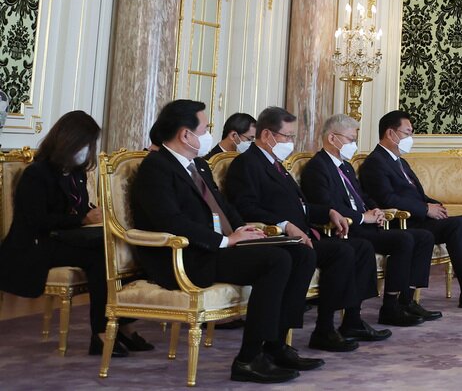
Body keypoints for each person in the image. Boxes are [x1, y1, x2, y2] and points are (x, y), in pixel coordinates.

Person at [131, 99, 319, 384]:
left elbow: (224, 207)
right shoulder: (156, 168)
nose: (208, 134)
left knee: (300, 253)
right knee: (276, 261)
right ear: (185, 134)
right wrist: (225, 240)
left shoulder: (199, 166)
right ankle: (248, 358)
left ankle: (277, 345)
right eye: (205, 128)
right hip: (189, 256)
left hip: (218, 247)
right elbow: (171, 221)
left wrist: (245, 228)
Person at [223, 107, 387, 354]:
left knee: (359, 247)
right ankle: (294, 338)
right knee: (334, 253)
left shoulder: (276, 164)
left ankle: (336, 324)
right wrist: (284, 225)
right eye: (287, 136)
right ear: (267, 135)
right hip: (278, 238)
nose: (291, 142)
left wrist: (329, 212)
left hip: (302, 234)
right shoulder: (247, 164)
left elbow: (299, 206)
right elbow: (245, 207)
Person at [0, 111, 152, 357]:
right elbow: (37, 221)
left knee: (121, 246)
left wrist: (91, 213)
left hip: (62, 237)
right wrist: (82, 219)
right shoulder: (37, 174)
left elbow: (78, 208)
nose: (87, 150)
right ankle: (101, 335)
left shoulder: (76, 173)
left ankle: (123, 324)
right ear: (69, 141)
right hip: (35, 245)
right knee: (101, 257)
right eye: (85, 143)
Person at [359, 111, 462, 309]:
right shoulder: (375, 163)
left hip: (420, 217)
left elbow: (417, 195)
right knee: (456, 226)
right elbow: (387, 199)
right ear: (390, 133)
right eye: (407, 133)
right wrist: (425, 209)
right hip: (404, 222)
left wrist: (434, 204)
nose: (410, 139)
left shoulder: (400, 162)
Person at [299, 114, 439, 327]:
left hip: (366, 224)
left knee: (419, 236)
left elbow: (360, 196)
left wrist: (375, 209)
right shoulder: (317, 167)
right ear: (332, 138)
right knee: (403, 240)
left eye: (354, 140)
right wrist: (362, 217)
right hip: (347, 228)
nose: (353, 145)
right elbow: (326, 205)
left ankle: (403, 302)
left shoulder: (345, 166)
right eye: (350, 140)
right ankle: (385, 309)